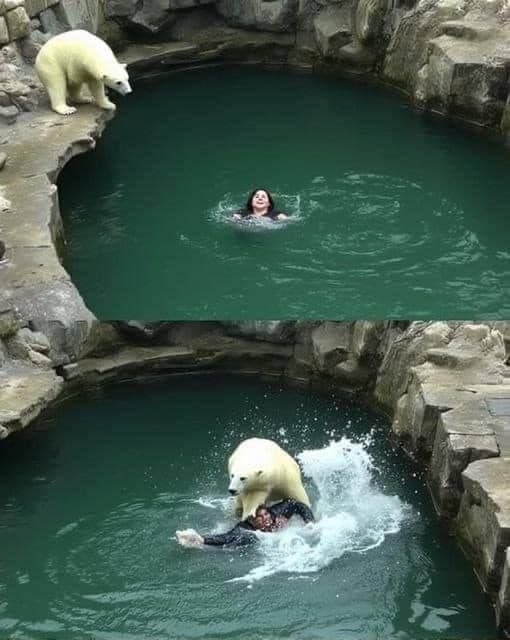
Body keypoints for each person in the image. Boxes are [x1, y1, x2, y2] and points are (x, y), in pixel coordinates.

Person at [176, 499, 314, 549]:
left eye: (266, 514)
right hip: (250, 538)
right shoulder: (245, 528)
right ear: (251, 521)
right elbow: (227, 537)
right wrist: (202, 539)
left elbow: (294, 503)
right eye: (260, 517)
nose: (266, 518)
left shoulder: (274, 514)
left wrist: (309, 522)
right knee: (245, 540)